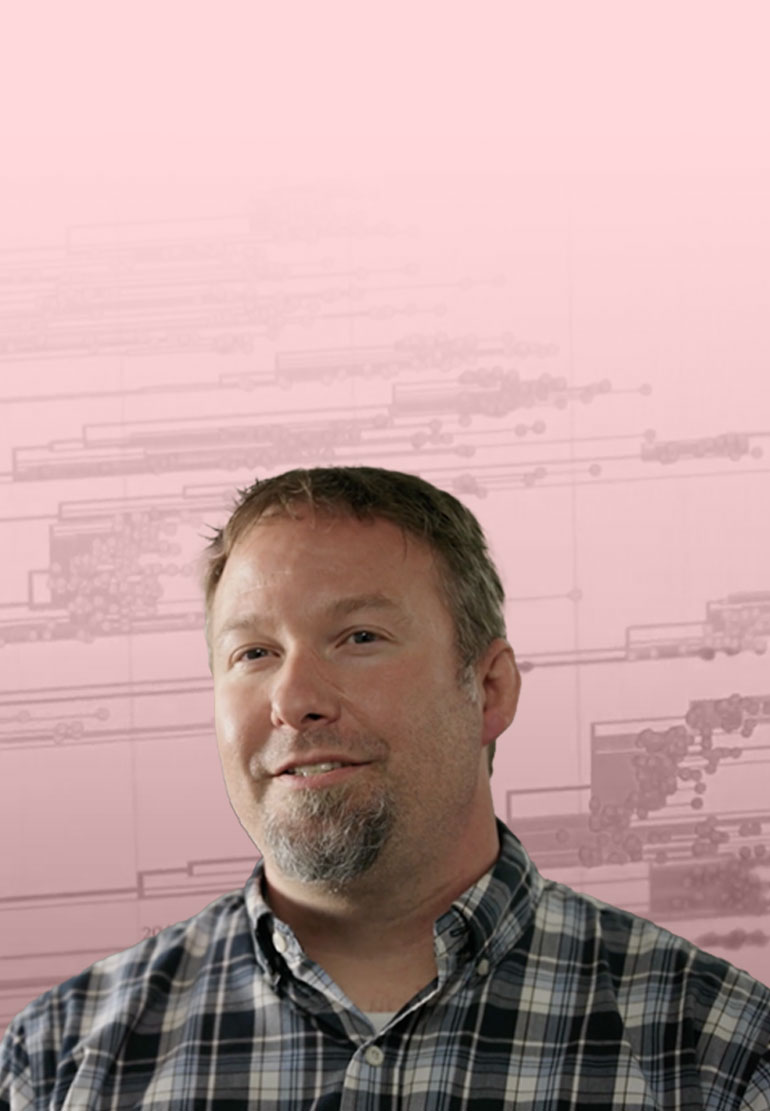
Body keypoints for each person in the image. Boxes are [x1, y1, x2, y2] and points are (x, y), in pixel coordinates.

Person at [1, 466, 769, 1110]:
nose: (294, 696)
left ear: (489, 688)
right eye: (255, 651)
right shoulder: (56, 1062)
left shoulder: (715, 1053)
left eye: (359, 637)